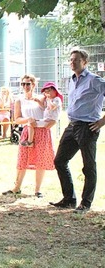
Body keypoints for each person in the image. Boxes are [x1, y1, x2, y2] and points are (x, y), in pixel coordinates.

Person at [51, 48, 105, 213]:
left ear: (85, 62)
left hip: (87, 127)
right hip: (72, 125)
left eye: (76, 60)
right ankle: (69, 199)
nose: (72, 62)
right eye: (71, 59)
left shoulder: (95, 80)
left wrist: (102, 121)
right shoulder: (71, 80)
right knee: (59, 161)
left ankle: (85, 203)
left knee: (88, 166)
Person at [2, 74, 55, 198]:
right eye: (23, 84)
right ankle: (16, 187)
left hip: (42, 130)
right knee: (23, 159)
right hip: (27, 130)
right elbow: (17, 119)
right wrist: (28, 120)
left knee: (40, 160)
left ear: (33, 85)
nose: (25, 86)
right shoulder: (19, 100)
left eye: (28, 84)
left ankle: (37, 190)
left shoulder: (42, 98)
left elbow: (49, 111)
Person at [21, 82, 62, 147]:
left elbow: (52, 107)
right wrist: (38, 101)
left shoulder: (56, 99)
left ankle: (29, 142)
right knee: (30, 123)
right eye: (46, 92)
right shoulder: (48, 100)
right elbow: (43, 108)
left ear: (55, 91)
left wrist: (48, 99)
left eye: (49, 91)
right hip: (46, 119)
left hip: (51, 120)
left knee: (30, 123)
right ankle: (30, 141)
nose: (48, 93)